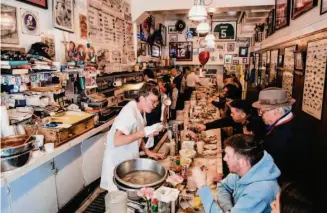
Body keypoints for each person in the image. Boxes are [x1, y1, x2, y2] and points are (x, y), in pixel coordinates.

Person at [192, 134, 280, 213]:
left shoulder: (259, 192)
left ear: (242, 162)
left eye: (228, 155)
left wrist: (202, 185)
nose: (224, 159)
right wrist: (229, 210)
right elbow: (223, 186)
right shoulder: (246, 169)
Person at [100, 83, 164, 191]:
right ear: (142, 98)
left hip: (128, 161)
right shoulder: (129, 113)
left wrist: (147, 151)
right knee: (120, 200)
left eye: (156, 103)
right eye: (152, 102)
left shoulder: (140, 109)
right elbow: (117, 140)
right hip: (117, 163)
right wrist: (144, 132)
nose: (154, 106)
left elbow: (137, 131)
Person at [252, 87, 310, 184]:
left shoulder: (282, 136)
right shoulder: (295, 120)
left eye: (262, 111)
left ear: (276, 111)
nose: (260, 115)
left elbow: (274, 168)